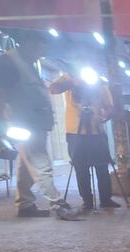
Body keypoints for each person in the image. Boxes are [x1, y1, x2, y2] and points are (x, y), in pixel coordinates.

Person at [0, 31, 65, 218]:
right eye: (40, 49)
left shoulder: (28, 64)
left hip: (36, 123)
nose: (41, 54)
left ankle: (25, 204)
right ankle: (58, 203)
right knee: (41, 162)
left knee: (27, 164)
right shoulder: (8, 61)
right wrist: (0, 123)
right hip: (24, 124)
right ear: (28, 42)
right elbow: (1, 93)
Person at [50, 69, 120, 210]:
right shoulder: (69, 77)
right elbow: (53, 89)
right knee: (80, 167)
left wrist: (103, 117)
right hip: (75, 132)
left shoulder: (100, 83)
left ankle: (106, 199)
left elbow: (110, 108)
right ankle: (87, 200)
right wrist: (72, 82)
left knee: (102, 166)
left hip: (96, 131)